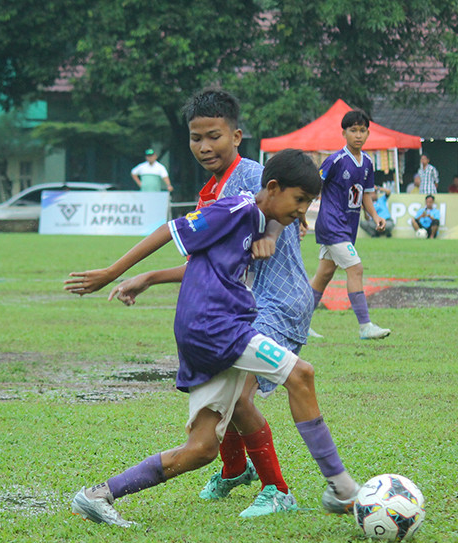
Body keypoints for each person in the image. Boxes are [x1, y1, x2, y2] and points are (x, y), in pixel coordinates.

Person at [65, 150, 363, 526]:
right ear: (272, 188)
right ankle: (342, 487)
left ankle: (98, 495)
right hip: (215, 326)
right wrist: (112, 272)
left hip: (205, 331)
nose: (302, 213)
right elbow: (168, 230)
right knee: (301, 374)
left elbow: (208, 258)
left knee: (202, 448)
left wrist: (272, 230)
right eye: (300, 201)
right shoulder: (233, 210)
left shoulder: (258, 215)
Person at [107, 88, 312, 518]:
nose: (204, 146)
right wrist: (150, 277)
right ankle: (235, 469)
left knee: (238, 399)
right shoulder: (212, 191)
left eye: (213, 136)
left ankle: (278, 490)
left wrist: (272, 236)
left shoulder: (256, 174)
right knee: (228, 389)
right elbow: (209, 266)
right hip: (246, 302)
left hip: (277, 301)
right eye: (196, 138)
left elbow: (281, 209)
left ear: (236, 136)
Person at [309, 108, 391, 340]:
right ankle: (365, 325)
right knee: (355, 268)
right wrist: (300, 213)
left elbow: (365, 194)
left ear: (368, 133)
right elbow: (314, 186)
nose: (358, 135)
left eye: (362, 130)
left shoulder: (367, 162)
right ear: (343, 133)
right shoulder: (335, 160)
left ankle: (299, 323)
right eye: (353, 130)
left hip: (348, 227)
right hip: (332, 225)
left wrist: (375, 217)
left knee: (323, 275)